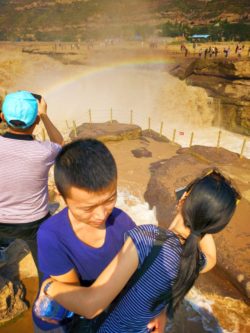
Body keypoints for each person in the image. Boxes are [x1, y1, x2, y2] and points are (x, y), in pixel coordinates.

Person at [35, 168, 240, 333]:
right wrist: (204, 222)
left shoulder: (148, 239)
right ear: (214, 227)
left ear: (183, 198)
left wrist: (49, 286)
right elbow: (212, 258)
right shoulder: (195, 259)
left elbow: (92, 307)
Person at [33, 139, 166, 333]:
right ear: (62, 198)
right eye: (88, 208)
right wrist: (49, 290)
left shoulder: (123, 222)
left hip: (98, 311)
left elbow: (144, 269)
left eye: (110, 199)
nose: (101, 214)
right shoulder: (51, 236)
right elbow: (80, 301)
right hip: (59, 321)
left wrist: (158, 310)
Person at [0, 90, 63, 272]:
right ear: (36, 120)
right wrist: (43, 114)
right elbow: (59, 141)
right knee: (46, 262)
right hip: (33, 222)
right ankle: (47, 286)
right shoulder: (45, 151)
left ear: (3, 117)